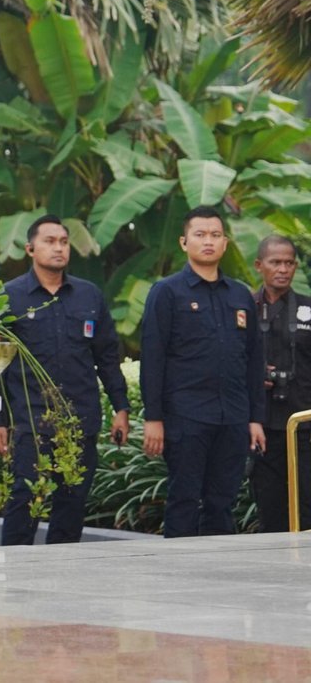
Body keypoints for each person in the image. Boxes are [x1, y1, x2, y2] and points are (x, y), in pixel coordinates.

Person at [0, 215, 129, 545]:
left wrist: (121, 408)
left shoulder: (89, 295)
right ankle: (15, 570)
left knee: (72, 504)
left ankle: (64, 572)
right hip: (30, 423)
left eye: (64, 242)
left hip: (80, 421)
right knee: (24, 502)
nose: (59, 248)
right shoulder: (9, 297)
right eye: (49, 241)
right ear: (30, 249)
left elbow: (107, 358)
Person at [140, 205, 267, 538]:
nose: (208, 241)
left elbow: (253, 360)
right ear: (184, 242)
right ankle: (179, 568)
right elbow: (153, 358)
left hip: (233, 416)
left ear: (225, 243)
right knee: (184, 498)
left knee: (222, 502)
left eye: (215, 235)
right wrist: (153, 418)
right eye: (200, 235)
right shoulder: (166, 292)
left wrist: (255, 418)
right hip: (186, 416)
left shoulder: (240, 295)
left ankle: (218, 567)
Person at [248, 235, 311, 532]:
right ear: (259, 265)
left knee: (307, 505)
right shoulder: (245, 308)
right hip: (261, 425)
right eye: (275, 262)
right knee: (270, 506)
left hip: (304, 423)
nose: (283, 269)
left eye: (289, 263)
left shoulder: (308, 307)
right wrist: (255, 373)